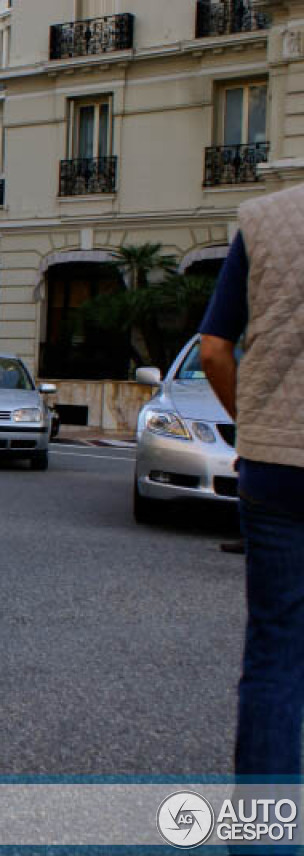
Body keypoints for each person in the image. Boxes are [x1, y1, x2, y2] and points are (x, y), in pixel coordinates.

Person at [199, 182, 304, 796]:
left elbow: (214, 350)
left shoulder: (264, 219)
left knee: (274, 657)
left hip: (275, 466)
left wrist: (257, 426)